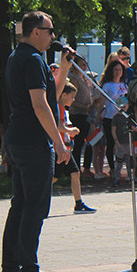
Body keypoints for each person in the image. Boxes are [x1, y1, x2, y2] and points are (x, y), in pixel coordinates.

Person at [0, 11, 72, 272]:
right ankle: (29, 270)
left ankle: (11, 270)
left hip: (18, 138)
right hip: (33, 141)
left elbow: (50, 95)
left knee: (20, 205)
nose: (53, 36)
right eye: (50, 30)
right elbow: (40, 105)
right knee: (35, 206)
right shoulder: (32, 59)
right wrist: (58, 141)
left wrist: (64, 69)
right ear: (35, 32)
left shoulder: (18, 57)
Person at [56, 82, 95, 213]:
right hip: (58, 148)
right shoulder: (58, 108)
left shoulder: (62, 108)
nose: (73, 100)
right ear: (64, 95)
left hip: (64, 148)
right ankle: (33, 197)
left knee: (75, 172)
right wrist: (70, 130)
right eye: (72, 97)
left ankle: (79, 204)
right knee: (53, 178)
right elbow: (58, 127)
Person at [99, 60, 128, 179]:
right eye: (115, 69)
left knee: (123, 143)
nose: (117, 72)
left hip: (121, 118)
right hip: (109, 117)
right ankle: (112, 168)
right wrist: (97, 117)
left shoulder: (124, 85)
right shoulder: (107, 85)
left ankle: (122, 166)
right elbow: (102, 102)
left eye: (120, 70)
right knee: (111, 143)